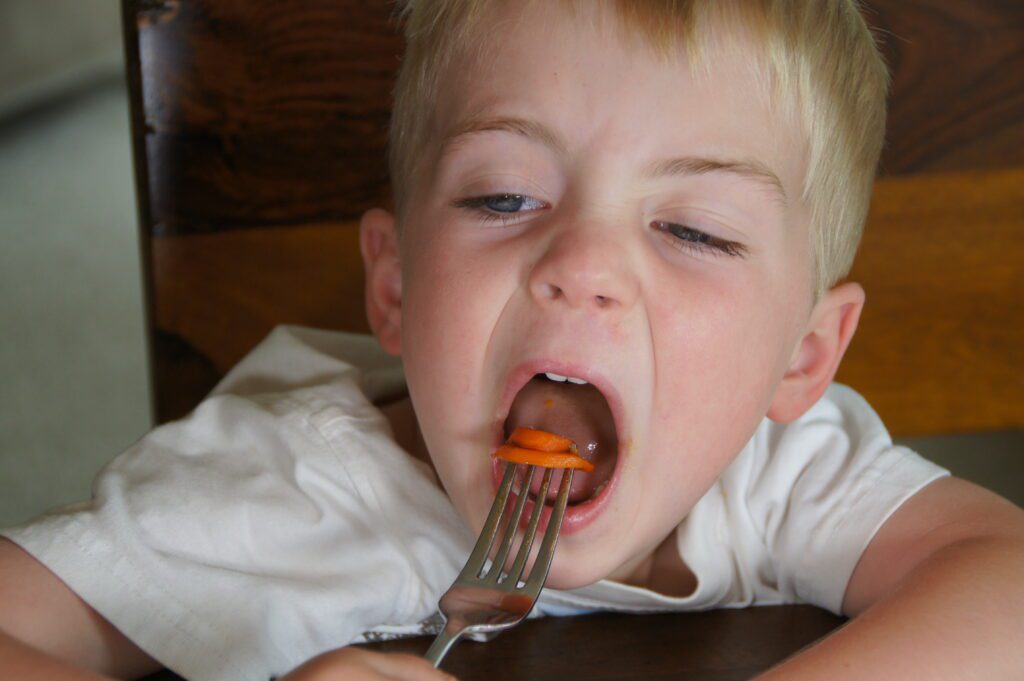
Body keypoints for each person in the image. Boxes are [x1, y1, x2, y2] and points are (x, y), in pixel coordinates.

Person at [2, 1, 1023, 679]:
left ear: (800, 357)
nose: (582, 263)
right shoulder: (277, 491)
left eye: (693, 229)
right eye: (505, 196)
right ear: (396, 287)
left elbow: (1003, 575)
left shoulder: (772, 474)